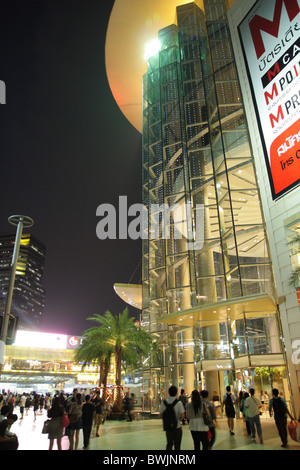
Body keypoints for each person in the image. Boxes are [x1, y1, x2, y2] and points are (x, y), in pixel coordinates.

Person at [159, 385, 185, 450]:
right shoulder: (179, 403)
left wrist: (168, 419)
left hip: (168, 427)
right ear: (176, 393)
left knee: (169, 443)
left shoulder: (164, 402)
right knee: (177, 445)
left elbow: (160, 415)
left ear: (168, 392)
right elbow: (182, 416)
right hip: (177, 427)